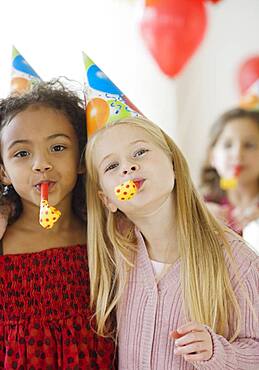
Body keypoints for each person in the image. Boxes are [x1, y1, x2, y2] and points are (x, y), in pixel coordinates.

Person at [85, 116, 259, 369]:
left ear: (174, 165)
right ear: (107, 200)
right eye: (111, 166)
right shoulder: (116, 257)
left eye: (140, 152)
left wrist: (216, 352)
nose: (128, 167)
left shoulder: (238, 261)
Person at [0, 81, 115, 369]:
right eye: (22, 153)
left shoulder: (104, 238)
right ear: (3, 171)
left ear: (80, 160)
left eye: (58, 147)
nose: (41, 163)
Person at [200, 108, 259, 235]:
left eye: (249, 145)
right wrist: (198, 222)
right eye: (227, 145)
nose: (237, 155)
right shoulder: (200, 206)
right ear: (212, 156)